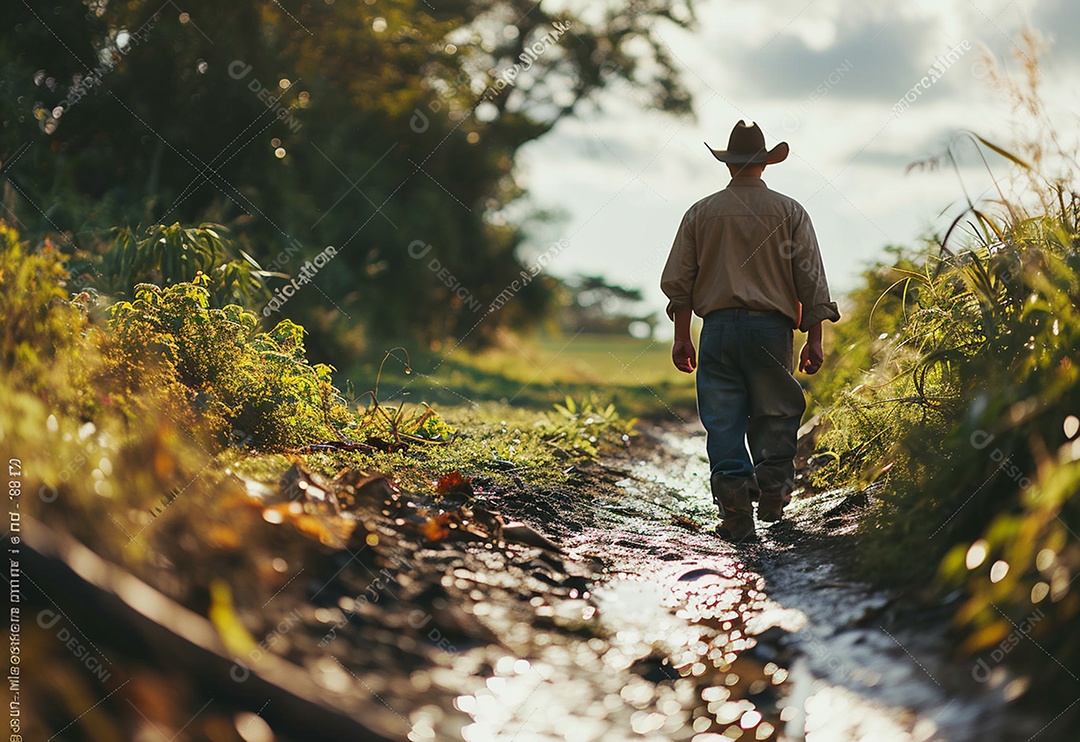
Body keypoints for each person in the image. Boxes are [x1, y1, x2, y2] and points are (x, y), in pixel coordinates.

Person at [660, 120, 840, 542]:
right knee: (776, 411)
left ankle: (737, 513)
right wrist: (814, 339)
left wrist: (682, 336)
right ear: (765, 163)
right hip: (771, 331)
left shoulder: (701, 212)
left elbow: (680, 283)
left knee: (723, 419)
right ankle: (773, 492)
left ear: (728, 164)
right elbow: (810, 279)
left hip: (718, 330)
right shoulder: (790, 211)